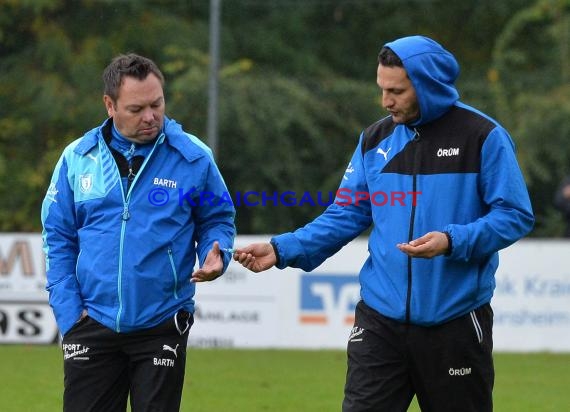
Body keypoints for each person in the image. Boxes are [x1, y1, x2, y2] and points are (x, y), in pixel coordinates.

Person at [234, 35, 534, 412]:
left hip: (456, 322)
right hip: (380, 321)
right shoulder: (375, 139)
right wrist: (281, 249)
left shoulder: (483, 137)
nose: (385, 101)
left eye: (396, 91)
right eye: (382, 89)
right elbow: (346, 214)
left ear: (427, 85)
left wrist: (452, 240)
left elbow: (515, 215)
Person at [41, 53, 235, 412]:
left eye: (157, 104)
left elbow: (217, 219)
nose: (150, 117)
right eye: (136, 109)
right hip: (90, 323)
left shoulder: (194, 157)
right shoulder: (76, 158)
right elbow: (57, 237)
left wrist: (216, 251)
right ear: (109, 105)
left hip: (162, 323)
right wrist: (71, 314)